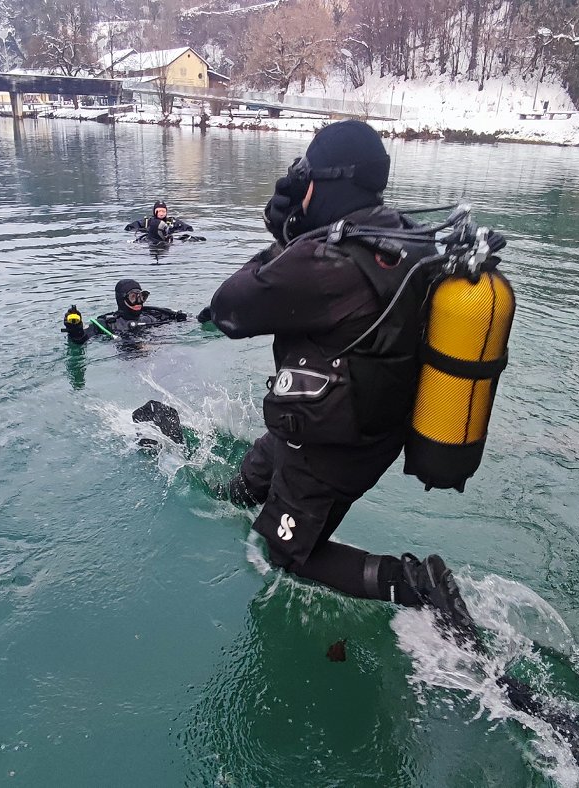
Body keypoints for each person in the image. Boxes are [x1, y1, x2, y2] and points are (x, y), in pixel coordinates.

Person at [196, 119, 478, 625]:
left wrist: (284, 238)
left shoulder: (327, 263)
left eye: (305, 179)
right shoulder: (403, 236)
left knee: (287, 555)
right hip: (362, 422)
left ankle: (415, 586)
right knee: (245, 487)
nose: (299, 190)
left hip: (332, 449)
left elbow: (229, 309)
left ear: (326, 183)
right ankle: (253, 494)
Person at [63, 279, 187, 344]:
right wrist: (75, 328)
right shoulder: (107, 324)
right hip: (129, 359)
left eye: (142, 297)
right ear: (122, 299)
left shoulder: (152, 315)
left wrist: (197, 317)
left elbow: (185, 321)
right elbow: (81, 338)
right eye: (133, 297)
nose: (138, 302)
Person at [124, 201, 193, 242]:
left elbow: (189, 228)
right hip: (151, 240)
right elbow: (129, 227)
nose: (161, 213)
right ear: (154, 211)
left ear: (166, 212)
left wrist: (178, 232)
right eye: (159, 211)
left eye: (163, 211)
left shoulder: (172, 221)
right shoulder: (148, 222)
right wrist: (142, 230)